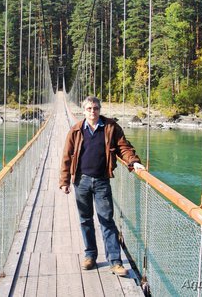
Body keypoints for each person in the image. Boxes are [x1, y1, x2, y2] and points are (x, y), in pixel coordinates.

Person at [59, 96, 145, 277]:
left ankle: (115, 262)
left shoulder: (111, 127)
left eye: (95, 108)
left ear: (100, 109)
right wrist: (64, 181)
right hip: (81, 181)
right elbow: (67, 156)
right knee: (85, 220)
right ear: (84, 111)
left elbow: (124, 147)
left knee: (107, 220)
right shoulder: (75, 130)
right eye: (89, 108)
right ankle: (90, 255)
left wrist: (134, 162)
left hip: (101, 181)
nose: (92, 111)